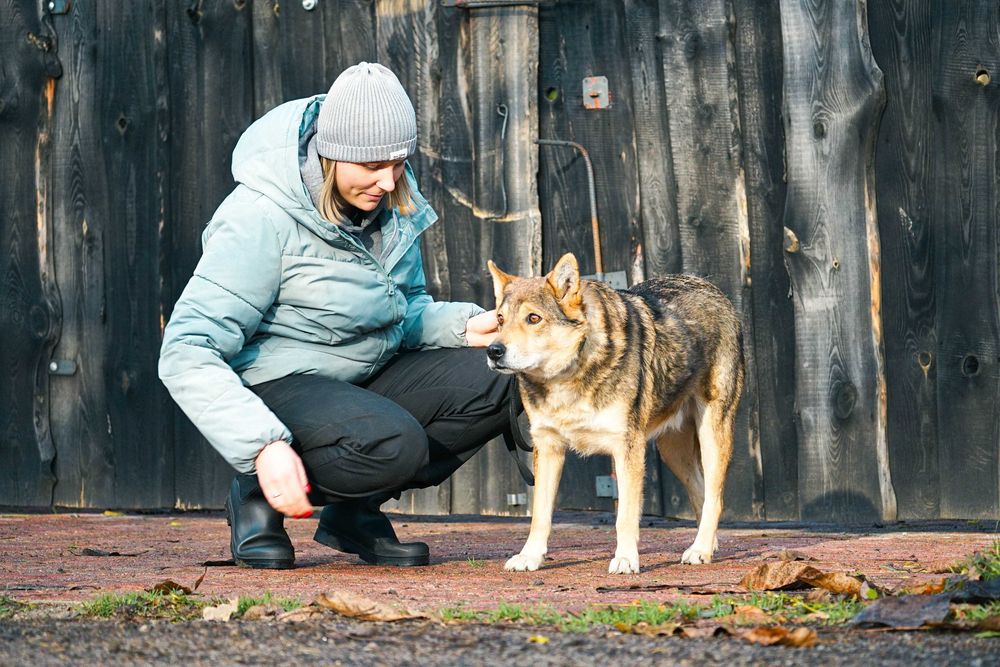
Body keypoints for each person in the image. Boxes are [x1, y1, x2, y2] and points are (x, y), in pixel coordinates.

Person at [158, 62, 511, 569]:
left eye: (398, 163)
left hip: (361, 377)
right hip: (280, 382)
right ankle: (257, 490)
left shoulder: (387, 203)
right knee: (394, 445)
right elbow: (186, 349)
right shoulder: (261, 216)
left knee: (500, 373)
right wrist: (262, 447)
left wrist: (461, 325)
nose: (389, 182)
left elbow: (401, 311)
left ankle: (352, 514)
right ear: (331, 154)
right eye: (372, 166)